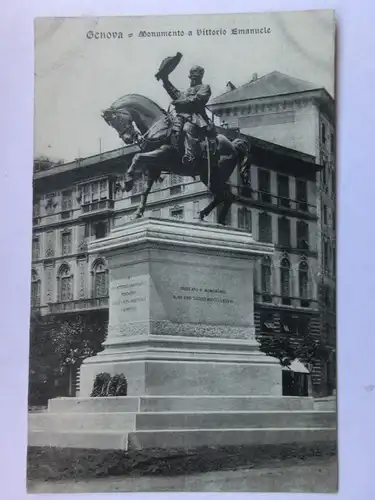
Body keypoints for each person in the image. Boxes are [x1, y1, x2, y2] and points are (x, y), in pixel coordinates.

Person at [158, 65, 215, 166]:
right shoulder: (187, 90)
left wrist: (181, 102)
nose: (192, 79)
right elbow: (175, 93)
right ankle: (173, 151)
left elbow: (197, 99)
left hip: (197, 118)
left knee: (187, 128)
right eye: (191, 77)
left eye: (195, 77)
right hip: (183, 116)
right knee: (173, 129)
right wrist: (165, 80)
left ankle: (190, 156)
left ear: (200, 77)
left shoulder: (205, 87)